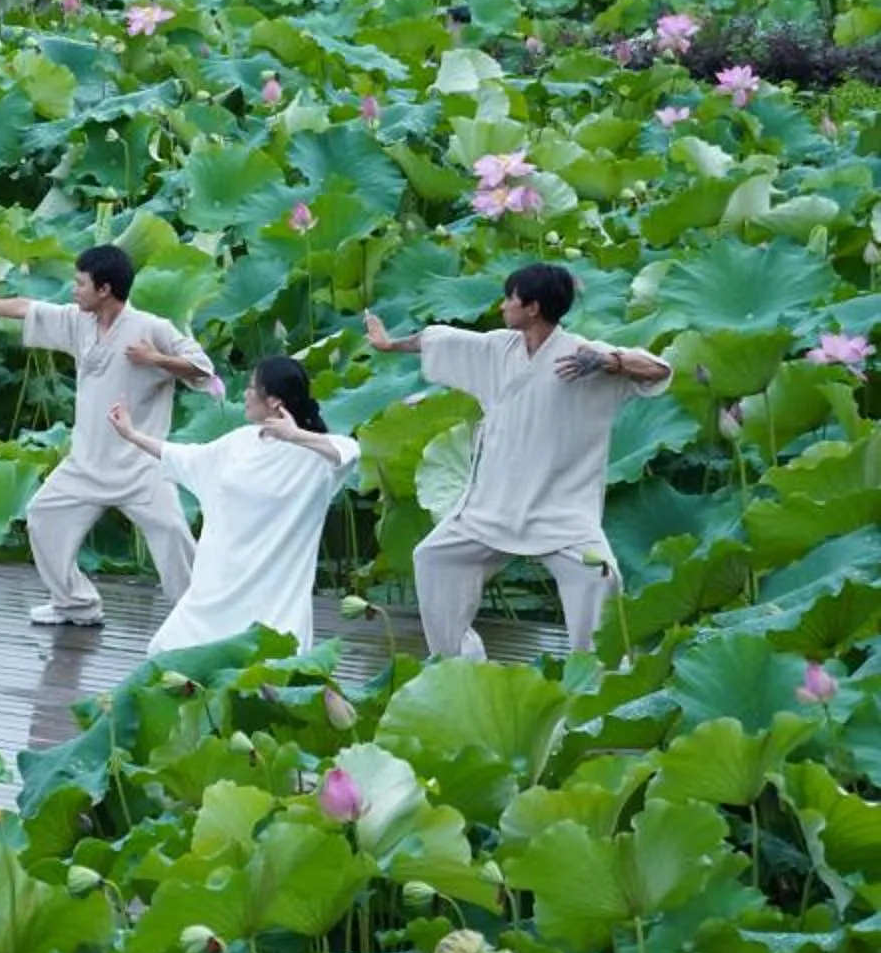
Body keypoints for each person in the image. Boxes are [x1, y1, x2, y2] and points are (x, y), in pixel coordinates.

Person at [365, 263, 671, 659]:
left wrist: (610, 363)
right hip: (494, 506)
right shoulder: (497, 349)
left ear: (533, 307)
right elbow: (437, 339)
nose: (503, 304)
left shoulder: (585, 356)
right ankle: (457, 660)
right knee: (433, 557)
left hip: (561, 511)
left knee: (599, 577)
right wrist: (390, 345)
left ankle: (600, 680)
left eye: (510, 297)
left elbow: (660, 371)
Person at [0, 244, 221, 628]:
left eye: (80, 283)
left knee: (174, 534)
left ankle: (202, 616)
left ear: (105, 289)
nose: (73, 290)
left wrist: (156, 359)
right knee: (43, 517)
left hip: (140, 467)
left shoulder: (151, 328)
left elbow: (203, 370)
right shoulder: (79, 321)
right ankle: (74, 603)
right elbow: (28, 307)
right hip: (86, 464)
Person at [108, 357, 359, 655]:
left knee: (267, 669)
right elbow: (188, 458)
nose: (245, 394)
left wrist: (295, 436)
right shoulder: (242, 441)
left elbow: (349, 451)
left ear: (275, 401)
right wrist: (131, 434)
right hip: (220, 580)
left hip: (273, 589)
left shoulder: (317, 458)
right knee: (165, 652)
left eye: (253, 388)